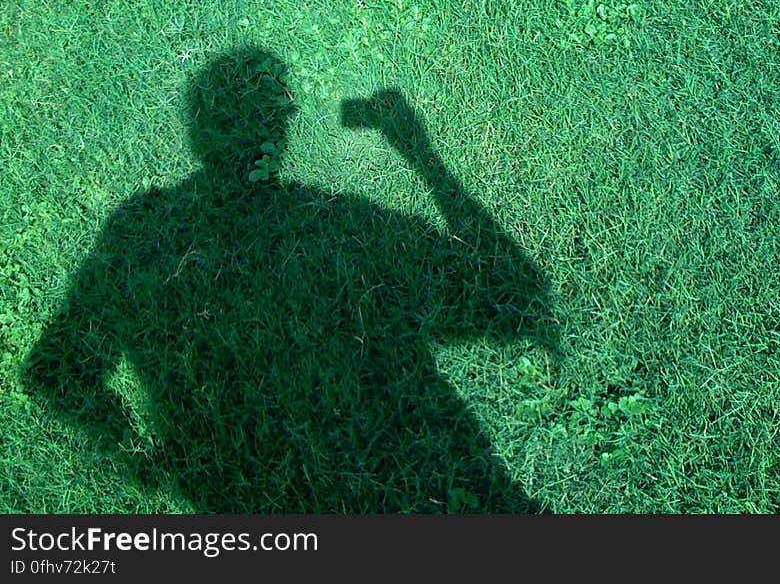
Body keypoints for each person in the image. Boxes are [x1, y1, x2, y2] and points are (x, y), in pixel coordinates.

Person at [24, 47, 553, 513]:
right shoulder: (334, 227)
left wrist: (132, 449)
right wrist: (418, 153)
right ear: (278, 130)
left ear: (200, 132)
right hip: (388, 488)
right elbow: (511, 293)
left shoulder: (140, 231)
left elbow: (54, 369)